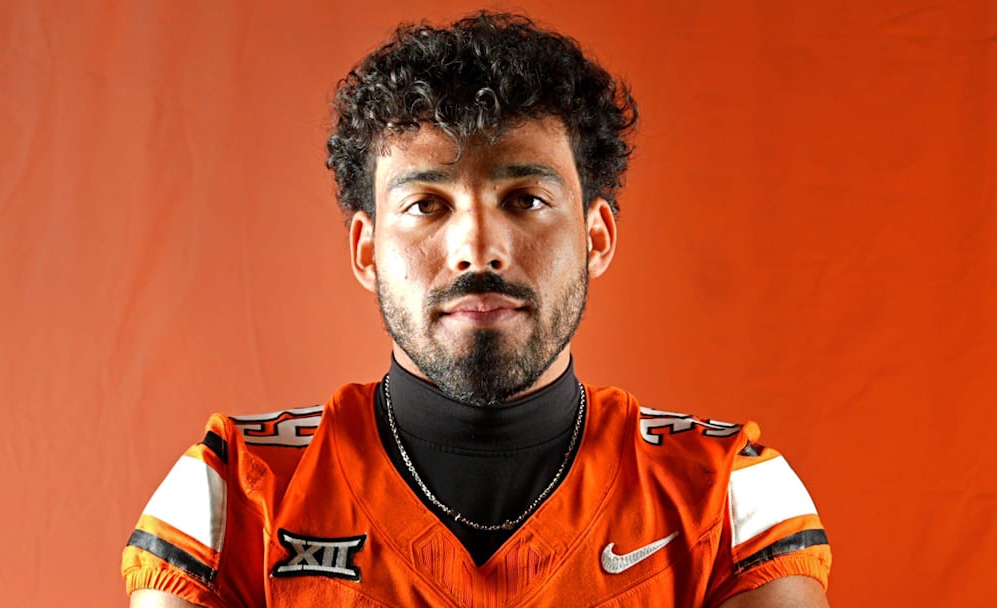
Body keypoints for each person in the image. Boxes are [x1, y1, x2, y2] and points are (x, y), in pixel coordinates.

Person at [122, 12, 832, 607]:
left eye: (524, 200)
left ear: (596, 238)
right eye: (427, 205)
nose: (478, 247)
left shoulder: (726, 492)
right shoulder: (239, 495)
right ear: (367, 252)